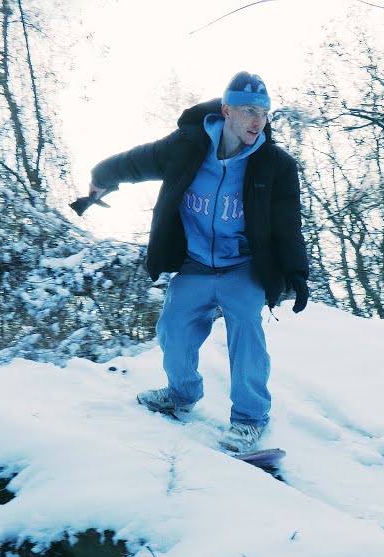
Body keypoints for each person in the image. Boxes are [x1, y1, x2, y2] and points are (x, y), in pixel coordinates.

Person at [86, 71, 309, 453]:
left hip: (243, 267)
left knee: (246, 330)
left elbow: (287, 223)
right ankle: (180, 393)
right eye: (249, 111)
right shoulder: (187, 146)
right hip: (194, 264)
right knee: (173, 330)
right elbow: (139, 161)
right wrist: (101, 176)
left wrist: (297, 273)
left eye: (265, 113)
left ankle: (250, 419)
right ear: (226, 111)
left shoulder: (276, 165)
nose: (259, 121)